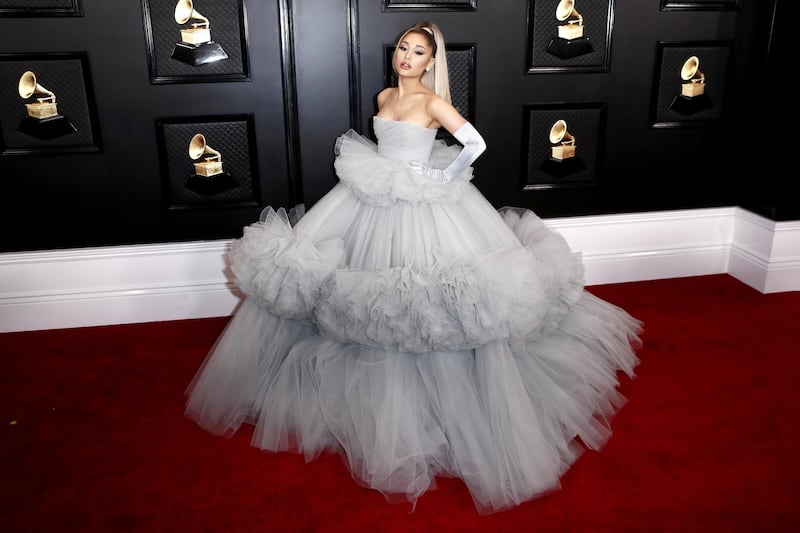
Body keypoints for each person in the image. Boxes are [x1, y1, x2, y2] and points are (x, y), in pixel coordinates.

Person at [185, 20, 642, 515]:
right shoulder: (384, 98)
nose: (407, 56)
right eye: (403, 47)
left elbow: (475, 143)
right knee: (354, 288)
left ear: (431, 61)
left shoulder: (431, 102)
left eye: (418, 51)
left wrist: (439, 174)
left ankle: (436, 394)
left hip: (427, 206)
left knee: (426, 297)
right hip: (369, 199)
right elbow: (387, 145)